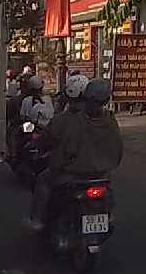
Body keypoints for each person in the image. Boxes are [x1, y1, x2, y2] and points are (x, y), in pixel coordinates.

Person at [27, 78, 124, 232]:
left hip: (70, 174)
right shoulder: (110, 120)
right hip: (100, 174)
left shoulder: (66, 119)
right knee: (107, 187)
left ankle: (37, 220)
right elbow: (118, 147)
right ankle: (108, 214)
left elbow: (46, 139)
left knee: (43, 180)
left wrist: (36, 146)